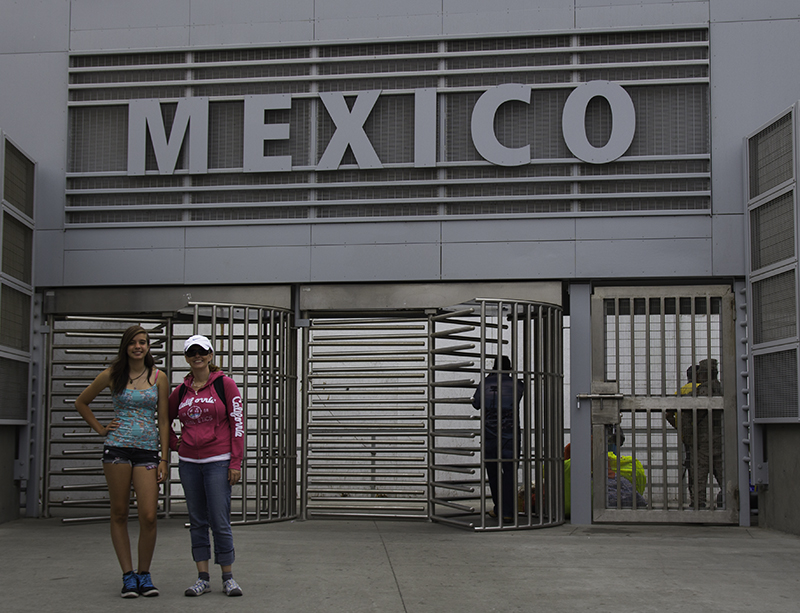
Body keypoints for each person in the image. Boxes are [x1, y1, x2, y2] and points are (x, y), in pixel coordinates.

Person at [75, 325, 169, 598]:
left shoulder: (159, 377)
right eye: (133, 342)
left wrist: (164, 458)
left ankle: (144, 575)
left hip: (147, 451)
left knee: (148, 516)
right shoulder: (111, 374)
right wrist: (100, 429)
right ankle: (128, 576)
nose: (138, 347)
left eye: (143, 342)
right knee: (119, 513)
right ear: (125, 346)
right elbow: (81, 402)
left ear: (148, 346)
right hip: (117, 449)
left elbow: (164, 420)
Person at [169, 334, 245, 597]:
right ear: (186, 358)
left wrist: (235, 462)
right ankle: (202, 578)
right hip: (189, 464)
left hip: (218, 462)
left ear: (211, 355)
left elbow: (238, 424)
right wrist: (174, 444)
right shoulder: (180, 391)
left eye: (201, 351)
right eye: (191, 352)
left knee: (220, 521)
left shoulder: (225, 385)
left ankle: (228, 577)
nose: (197, 356)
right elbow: (164, 418)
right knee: (197, 521)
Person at [472, 355, 524, 522]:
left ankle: (499, 508)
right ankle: (508, 511)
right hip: (510, 436)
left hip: (490, 436)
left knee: (493, 474)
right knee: (509, 473)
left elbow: (476, 404)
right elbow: (518, 396)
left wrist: (488, 380)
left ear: (493, 367)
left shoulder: (485, 383)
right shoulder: (517, 384)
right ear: (510, 369)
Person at [668, 359, 723, 508]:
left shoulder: (695, 392)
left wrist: (684, 432)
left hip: (699, 442)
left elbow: (672, 412)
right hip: (722, 442)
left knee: (698, 476)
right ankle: (729, 503)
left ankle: (698, 505)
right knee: (723, 475)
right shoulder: (724, 389)